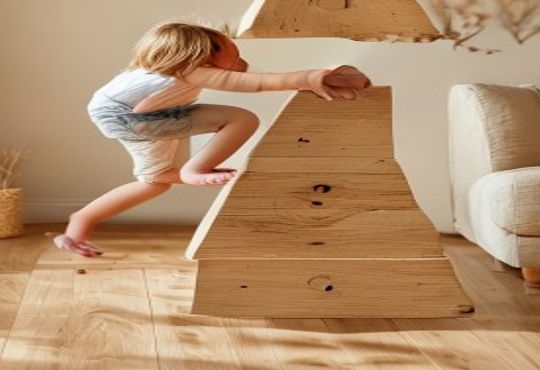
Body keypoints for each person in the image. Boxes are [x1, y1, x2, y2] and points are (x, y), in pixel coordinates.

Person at [54, 21, 371, 257]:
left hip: (120, 117)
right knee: (241, 119)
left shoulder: (164, 72)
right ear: (201, 56)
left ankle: (78, 226)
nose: (238, 57)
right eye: (231, 52)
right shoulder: (192, 70)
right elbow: (254, 84)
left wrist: (305, 81)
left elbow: (253, 77)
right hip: (132, 119)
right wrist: (310, 78)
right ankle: (197, 169)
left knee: (157, 180)